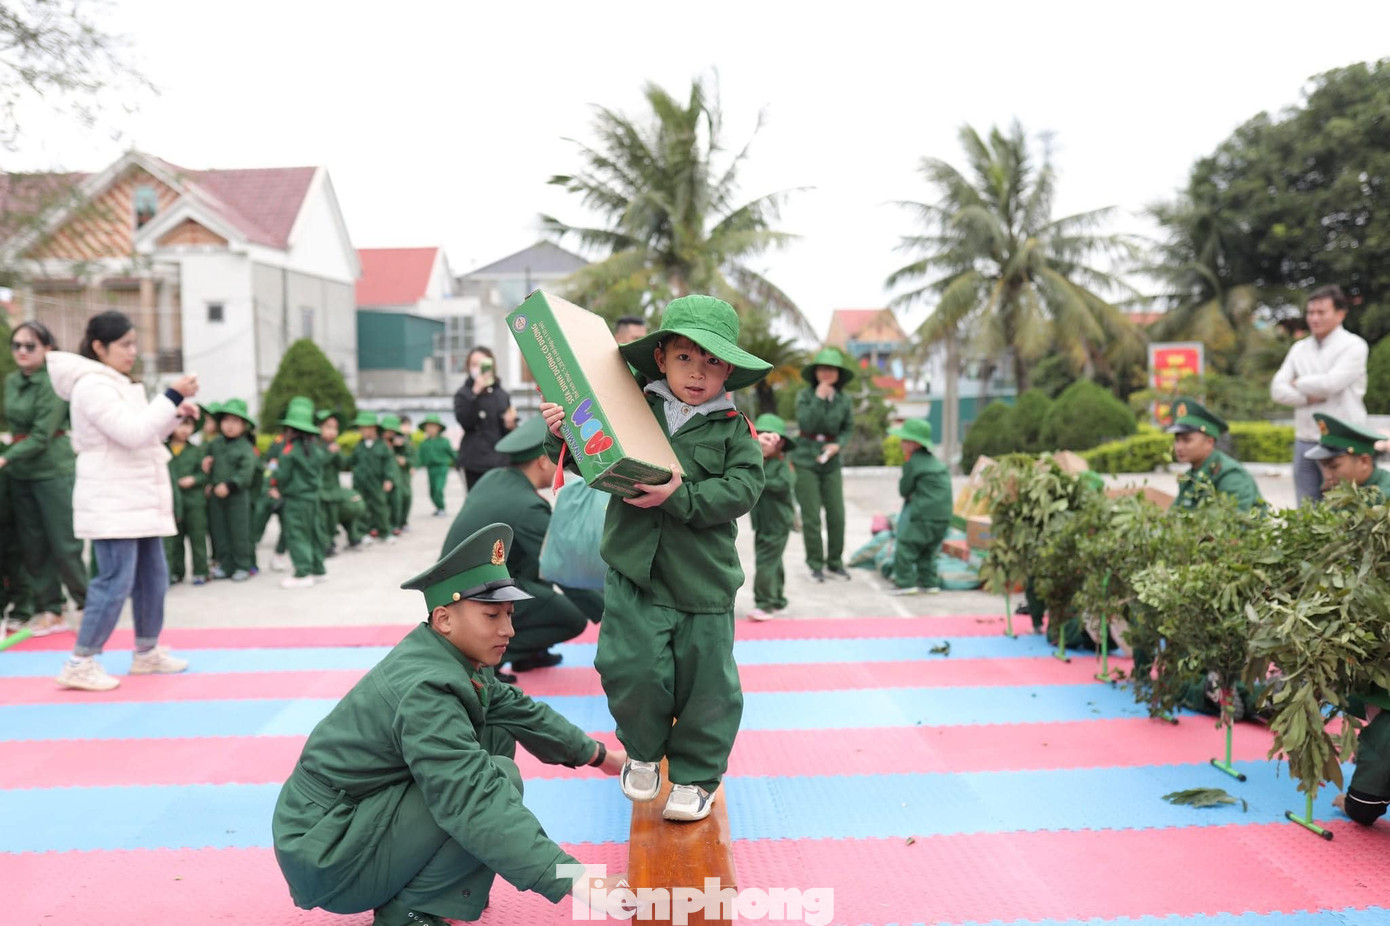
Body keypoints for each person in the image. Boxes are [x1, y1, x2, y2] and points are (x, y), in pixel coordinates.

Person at [271, 522, 632, 926]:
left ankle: (442, 887)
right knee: (495, 780)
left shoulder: (450, 657)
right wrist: (580, 882)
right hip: (326, 850)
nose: (508, 629)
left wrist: (603, 757)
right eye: (492, 615)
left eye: (510, 614)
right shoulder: (429, 689)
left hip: (346, 819)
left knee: (495, 730)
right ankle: (409, 913)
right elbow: (472, 799)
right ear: (443, 619)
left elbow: (519, 710)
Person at [542, 293, 769, 822]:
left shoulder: (734, 428)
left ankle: (695, 776)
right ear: (661, 357)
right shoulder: (631, 408)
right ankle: (642, 752)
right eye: (685, 357)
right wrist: (563, 431)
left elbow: (743, 489)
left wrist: (679, 496)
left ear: (728, 370)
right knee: (629, 668)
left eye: (712, 361)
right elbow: (591, 458)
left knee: (705, 684)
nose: (697, 372)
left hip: (702, 582)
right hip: (633, 573)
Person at [44, 310, 197, 691]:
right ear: (99, 346)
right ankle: (81, 660)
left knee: (152, 577)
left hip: (135, 494)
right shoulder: (92, 385)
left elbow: (145, 433)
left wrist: (173, 414)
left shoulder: (116, 383)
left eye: (133, 343)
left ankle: (146, 651)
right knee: (113, 580)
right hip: (113, 497)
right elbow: (131, 433)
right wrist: (173, 395)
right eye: (124, 345)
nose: (132, 352)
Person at [441, 416, 604, 683]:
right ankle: (481, 661)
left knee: (533, 565)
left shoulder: (495, 478)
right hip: (475, 596)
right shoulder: (527, 506)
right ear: (542, 461)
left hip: (458, 586)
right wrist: (609, 611)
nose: (560, 468)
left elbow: (539, 563)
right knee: (571, 620)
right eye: (557, 459)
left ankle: (528, 655)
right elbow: (564, 566)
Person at [1, 320, 87, 634]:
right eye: (17, 345)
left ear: (48, 348)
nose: (22, 351)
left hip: (52, 468)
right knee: (33, 545)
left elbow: (42, 434)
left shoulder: (55, 381)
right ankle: (51, 608)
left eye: (30, 345)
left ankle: (87, 603)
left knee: (64, 542)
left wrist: (5, 457)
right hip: (21, 471)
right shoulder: (11, 381)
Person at [1270, 284, 1368, 505]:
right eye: (1310, 312)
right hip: (1305, 439)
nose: (1314, 318)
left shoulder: (1354, 346)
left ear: (1340, 313)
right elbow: (1277, 389)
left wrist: (1298, 382)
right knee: (1307, 509)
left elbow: (1331, 384)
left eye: (1321, 312)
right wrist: (1306, 397)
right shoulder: (1299, 349)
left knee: (1344, 508)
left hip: (1342, 439)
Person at [791, 346, 856, 582]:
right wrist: (819, 397)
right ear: (816, 372)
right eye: (822, 369)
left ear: (838, 373)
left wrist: (839, 444)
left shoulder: (844, 400)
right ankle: (815, 563)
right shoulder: (805, 396)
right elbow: (807, 423)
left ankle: (835, 562)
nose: (827, 373)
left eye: (832, 369)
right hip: (805, 457)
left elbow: (848, 428)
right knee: (811, 516)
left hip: (831, 459)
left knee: (837, 513)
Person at [887, 419, 952, 596]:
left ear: (913, 444)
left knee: (906, 547)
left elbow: (904, 489)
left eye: (904, 441)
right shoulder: (936, 463)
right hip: (943, 516)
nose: (901, 444)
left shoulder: (913, 463)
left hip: (924, 514)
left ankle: (906, 583)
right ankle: (930, 583)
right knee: (928, 550)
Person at [1167, 398, 1264, 512]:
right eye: (1177, 440)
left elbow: (1235, 523)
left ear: (1209, 442)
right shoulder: (1189, 477)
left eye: (1187, 440)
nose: (1178, 447)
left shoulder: (1231, 476)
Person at [270, 397, 326, 589]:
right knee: (313, 533)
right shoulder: (316, 451)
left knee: (297, 535)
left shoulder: (290, 451)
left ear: (291, 430)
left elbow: (282, 475)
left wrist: (273, 480)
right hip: (312, 499)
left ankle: (303, 572)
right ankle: (318, 570)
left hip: (295, 500)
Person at [748, 413, 796, 621]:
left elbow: (783, 485)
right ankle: (777, 600)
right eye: (759, 435)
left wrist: (757, 479)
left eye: (770, 437)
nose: (764, 441)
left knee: (766, 562)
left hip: (777, 523)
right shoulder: (760, 461)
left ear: (780, 442)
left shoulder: (781, 466)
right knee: (773, 561)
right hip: (764, 523)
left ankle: (764, 603)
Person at [207, 398, 259, 581]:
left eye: (236, 421)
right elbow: (207, 461)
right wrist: (205, 467)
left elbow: (246, 472)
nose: (230, 425)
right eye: (226, 420)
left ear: (244, 425)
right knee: (220, 532)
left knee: (239, 532)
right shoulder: (215, 444)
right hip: (216, 496)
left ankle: (243, 565)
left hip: (237, 496)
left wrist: (230, 485)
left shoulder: (245, 447)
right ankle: (226, 565)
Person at [454, 346, 516, 490]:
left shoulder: (501, 394)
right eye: (473, 364)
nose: (478, 368)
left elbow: (507, 433)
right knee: (477, 504)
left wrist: (510, 424)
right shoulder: (464, 393)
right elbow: (465, 421)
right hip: (473, 461)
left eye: (482, 364)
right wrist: (474, 392)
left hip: (499, 461)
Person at [164, 414, 210, 586]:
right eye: (180, 424)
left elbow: (205, 474)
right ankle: (176, 571)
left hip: (194, 501)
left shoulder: (197, 451)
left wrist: (194, 480)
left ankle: (200, 571)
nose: (184, 429)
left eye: (189, 425)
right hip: (172, 502)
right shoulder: (163, 450)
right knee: (175, 539)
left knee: (197, 538)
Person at [1302, 413, 1390, 498]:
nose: (1327, 476)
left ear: (1364, 461)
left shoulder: (1384, 498)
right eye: (1323, 465)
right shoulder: (1336, 489)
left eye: (1334, 466)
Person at [350, 411, 395, 543]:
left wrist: (389, 479)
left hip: (377, 482)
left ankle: (385, 532)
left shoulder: (383, 446)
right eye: (361, 429)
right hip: (360, 482)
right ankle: (363, 532)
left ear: (373, 428)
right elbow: (352, 461)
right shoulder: (359, 446)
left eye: (365, 428)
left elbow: (389, 464)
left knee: (380, 506)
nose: (362, 431)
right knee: (362, 507)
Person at [418, 413, 456, 516]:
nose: (430, 429)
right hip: (430, 468)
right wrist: (413, 467)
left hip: (442, 467)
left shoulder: (444, 441)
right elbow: (419, 458)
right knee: (432, 490)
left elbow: (452, 454)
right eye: (428, 427)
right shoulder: (424, 443)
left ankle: (442, 508)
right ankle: (438, 507)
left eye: (433, 426)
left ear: (438, 428)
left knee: (439, 488)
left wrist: (459, 462)